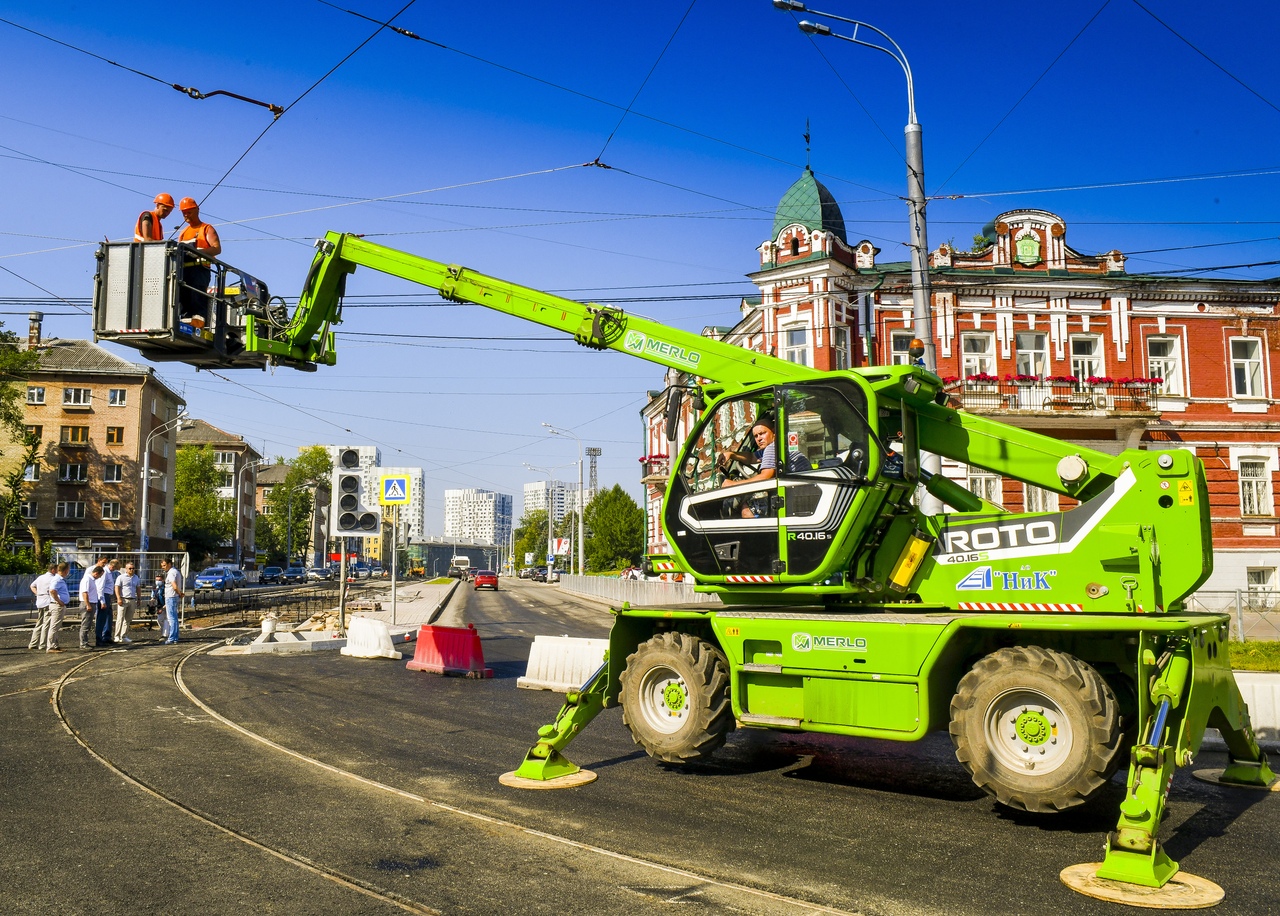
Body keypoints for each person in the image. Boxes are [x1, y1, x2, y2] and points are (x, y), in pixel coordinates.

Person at [719, 419, 778, 518]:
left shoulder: (772, 448)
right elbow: (751, 457)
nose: (759, 438)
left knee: (746, 510)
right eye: (756, 436)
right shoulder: (771, 448)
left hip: (790, 496)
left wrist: (733, 484)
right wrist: (732, 454)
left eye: (762, 433)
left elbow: (765, 477)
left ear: (774, 433)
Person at [176, 197, 221, 328]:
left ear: (197, 210)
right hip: (184, 270)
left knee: (197, 298)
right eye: (183, 212)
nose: (186, 215)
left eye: (189, 211)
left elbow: (217, 248)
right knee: (183, 298)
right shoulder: (183, 232)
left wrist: (199, 252)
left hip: (200, 270)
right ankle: (185, 322)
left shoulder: (206, 228)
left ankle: (198, 325)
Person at [26, 562, 56, 651]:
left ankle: (33, 643)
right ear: (53, 570)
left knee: (39, 622)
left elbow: (32, 585)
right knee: (46, 623)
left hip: (39, 601)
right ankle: (42, 644)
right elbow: (53, 590)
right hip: (48, 601)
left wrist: (37, 593)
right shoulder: (53, 579)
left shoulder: (40, 577)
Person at [77, 565, 105, 650]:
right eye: (100, 575)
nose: (100, 577)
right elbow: (84, 592)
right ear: (96, 573)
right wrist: (88, 604)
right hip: (87, 604)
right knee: (85, 624)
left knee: (88, 624)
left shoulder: (91, 580)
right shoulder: (87, 579)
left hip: (91, 603)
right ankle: (83, 643)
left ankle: (85, 642)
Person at [45, 563, 71, 653]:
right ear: (65, 570)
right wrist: (59, 601)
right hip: (57, 606)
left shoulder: (60, 579)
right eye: (68, 570)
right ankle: (50, 647)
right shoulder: (57, 579)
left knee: (56, 626)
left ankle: (55, 645)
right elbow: (52, 590)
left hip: (59, 605)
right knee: (54, 626)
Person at [114, 561, 141, 644]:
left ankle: (124, 635)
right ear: (126, 569)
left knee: (128, 619)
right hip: (123, 599)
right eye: (130, 568)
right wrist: (118, 598)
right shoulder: (121, 577)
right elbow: (117, 587)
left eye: (133, 568)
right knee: (120, 618)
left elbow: (138, 588)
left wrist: (139, 598)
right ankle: (117, 636)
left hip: (132, 599)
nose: (131, 570)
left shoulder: (136, 578)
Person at [161, 557, 184, 645]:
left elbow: (174, 586)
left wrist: (179, 593)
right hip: (173, 596)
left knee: (172, 618)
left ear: (169, 564)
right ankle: (175, 637)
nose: (163, 567)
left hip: (171, 596)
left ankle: (171, 638)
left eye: (164, 565)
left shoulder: (171, 573)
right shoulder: (175, 572)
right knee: (174, 617)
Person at [97, 556, 117, 646]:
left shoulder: (109, 573)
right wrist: (102, 601)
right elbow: (100, 587)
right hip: (104, 595)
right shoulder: (104, 572)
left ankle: (107, 636)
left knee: (108, 617)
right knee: (102, 618)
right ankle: (100, 638)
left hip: (108, 595)